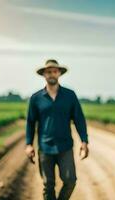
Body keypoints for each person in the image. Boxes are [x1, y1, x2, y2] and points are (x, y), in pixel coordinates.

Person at [25, 59, 89, 200]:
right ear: (44, 75)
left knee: (70, 180)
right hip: (45, 147)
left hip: (65, 146)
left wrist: (84, 141)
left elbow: (79, 119)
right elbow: (30, 122)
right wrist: (29, 144)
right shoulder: (36, 98)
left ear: (59, 73)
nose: (52, 74)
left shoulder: (70, 95)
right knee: (48, 185)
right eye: (48, 72)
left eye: (54, 71)